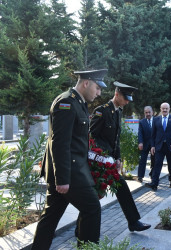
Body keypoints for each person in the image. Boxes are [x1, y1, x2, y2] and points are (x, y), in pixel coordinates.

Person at [32, 69, 108, 249]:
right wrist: (63, 180)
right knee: (92, 208)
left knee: (50, 217)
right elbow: (60, 143)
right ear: (86, 83)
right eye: (97, 88)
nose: (98, 94)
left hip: (71, 172)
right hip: (70, 174)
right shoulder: (66, 102)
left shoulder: (78, 103)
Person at [90, 81, 151, 232]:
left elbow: (115, 138)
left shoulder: (118, 111)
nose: (127, 101)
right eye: (125, 98)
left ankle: (133, 222)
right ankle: (82, 229)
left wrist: (117, 158)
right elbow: (92, 136)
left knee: (119, 188)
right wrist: (104, 156)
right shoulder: (102, 111)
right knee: (94, 195)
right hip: (100, 161)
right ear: (116, 94)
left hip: (110, 161)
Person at [145, 102, 171, 191]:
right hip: (159, 147)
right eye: (163, 108)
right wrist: (152, 146)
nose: (165, 110)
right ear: (160, 109)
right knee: (157, 165)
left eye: (166, 108)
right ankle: (154, 183)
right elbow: (153, 135)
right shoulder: (156, 119)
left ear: (169, 109)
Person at [137, 106, 155, 182]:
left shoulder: (157, 120)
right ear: (144, 113)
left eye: (149, 112)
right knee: (142, 160)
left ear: (152, 112)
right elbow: (140, 133)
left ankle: (152, 175)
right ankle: (140, 176)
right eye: (146, 112)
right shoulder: (142, 122)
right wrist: (140, 142)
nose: (148, 114)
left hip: (154, 145)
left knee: (154, 160)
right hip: (144, 144)